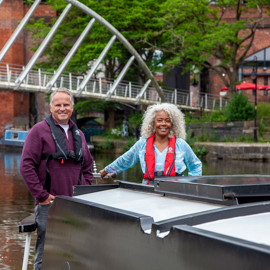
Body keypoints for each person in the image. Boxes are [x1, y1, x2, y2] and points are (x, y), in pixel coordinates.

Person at [20, 87, 93, 270]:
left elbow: (88, 167)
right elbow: (26, 166)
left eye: (66, 104)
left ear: (72, 107)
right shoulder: (38, 131)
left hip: (75, 204)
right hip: (49, 205)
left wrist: (84, 190)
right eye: (58, 105)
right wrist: (42, 196)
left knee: (74, 251)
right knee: (45, 253)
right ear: (51, 108)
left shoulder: (79, 134)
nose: (62, 108)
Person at [100, 103, 202, 184]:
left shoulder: (181, 144)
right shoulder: (142, 144)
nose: (163, 124)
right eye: (159, 120)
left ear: (172, 124)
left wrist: (187, 184)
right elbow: (126, 159)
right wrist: (107, 170)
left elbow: (196, 166)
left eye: (167, 121)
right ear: (153, 124)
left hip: (175, 193)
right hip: (148, 193)